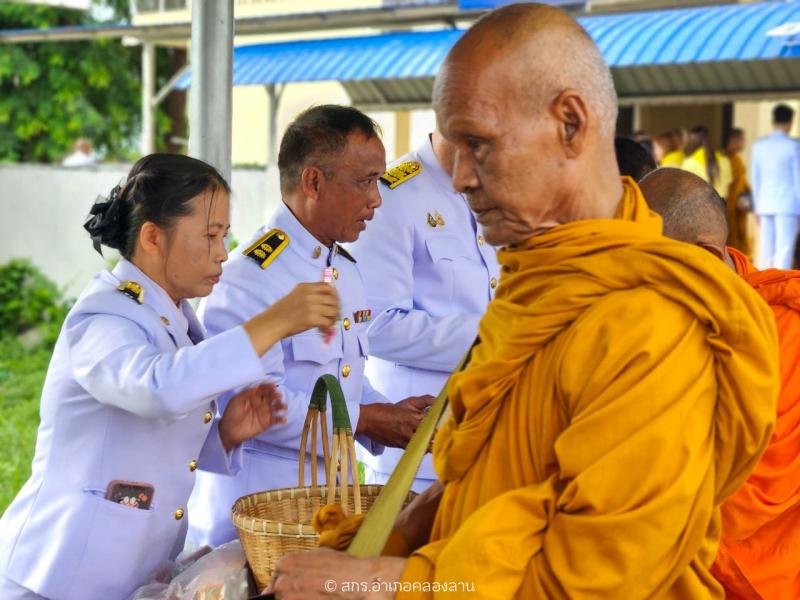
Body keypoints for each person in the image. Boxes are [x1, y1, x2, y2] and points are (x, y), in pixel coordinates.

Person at [271, 4, 779, 598]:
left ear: (569, 124)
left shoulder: (651, 320)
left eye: (477, 145)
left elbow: (595, 574)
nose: (459, 178)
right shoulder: (536, 284)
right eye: (452, 150)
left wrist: (390, 581)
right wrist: (375, 545)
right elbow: (476, 485)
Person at [0, 153, 340, 600]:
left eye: (225, 235)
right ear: (153, 237)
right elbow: (155, 388)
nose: (223, 252)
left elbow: (151, 435)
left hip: (126, 573)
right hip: (61, 575)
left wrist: (226, 434)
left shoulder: (173, 318)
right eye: (211, 235)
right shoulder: (105, 314)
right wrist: (272, 322)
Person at [187, 105, 434, 548]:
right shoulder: (251, 276)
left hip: (324, 512)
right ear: (313, 182)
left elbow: (345, 382)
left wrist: (396, 413)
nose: (376, 199)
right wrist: (368, 421)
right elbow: (258, 409)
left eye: (379, 181)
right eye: (365, 181)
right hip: (257, 519)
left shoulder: (344, 268)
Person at [641, 167, 800, 600]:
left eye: (652, 267)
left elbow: (754, 492)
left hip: (755, 577)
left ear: (708, 258)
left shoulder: (787, 327)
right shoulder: (651, 320)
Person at [347, 131, 500, 493]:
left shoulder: (498, 193)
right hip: (416, 446)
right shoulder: (390, 195)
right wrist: (495, 334)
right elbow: (375, 325)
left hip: (488, 433)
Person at [751, 104, 800, 269]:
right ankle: (781, 286)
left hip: (764, 203)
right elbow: (798, 179)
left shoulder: (759, 146)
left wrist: (757, 207)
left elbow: (755, 179)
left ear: (773, 121)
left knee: (765, 249)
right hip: (789, 205)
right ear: (790, 123)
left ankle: (764, 286)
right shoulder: (793, 146)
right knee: (784, 249)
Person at [723, 128, 752, 256]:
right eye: (741, 140)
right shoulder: (726, 159)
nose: (744, 143)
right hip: (729, 205)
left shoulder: (737, 159)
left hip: (738, 206)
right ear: (733, 140)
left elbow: (742, 182)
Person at [682, 125, 733, 199]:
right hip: (721, 206)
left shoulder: (689, 163)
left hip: (698, 206)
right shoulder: (725, 161)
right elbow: (727, 189)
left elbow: (685, 191)